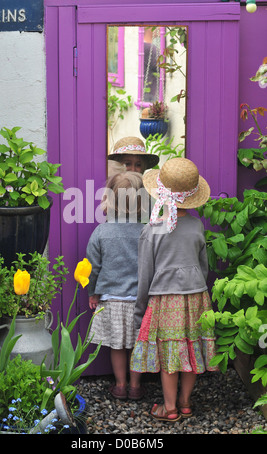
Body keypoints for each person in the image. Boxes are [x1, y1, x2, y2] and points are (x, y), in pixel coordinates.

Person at [130, 157, 218, 422]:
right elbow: (203, 268)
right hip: (196, 298)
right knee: (190, 350)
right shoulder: (197, 226)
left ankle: (169, 409)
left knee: (170, 356)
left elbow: (144, 275)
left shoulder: (152, 230)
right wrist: (198, 292)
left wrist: (139, 311)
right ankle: (186, 402)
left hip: (165, 301)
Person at [86, 171, 146, 400]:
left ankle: (120, 385)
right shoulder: (146, 232)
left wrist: (94, 294)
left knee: (118, 347)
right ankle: (135, 386)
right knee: (138, 346)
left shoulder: (102, 232)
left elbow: (93, 267)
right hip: (140, 301)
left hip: (111, 300)